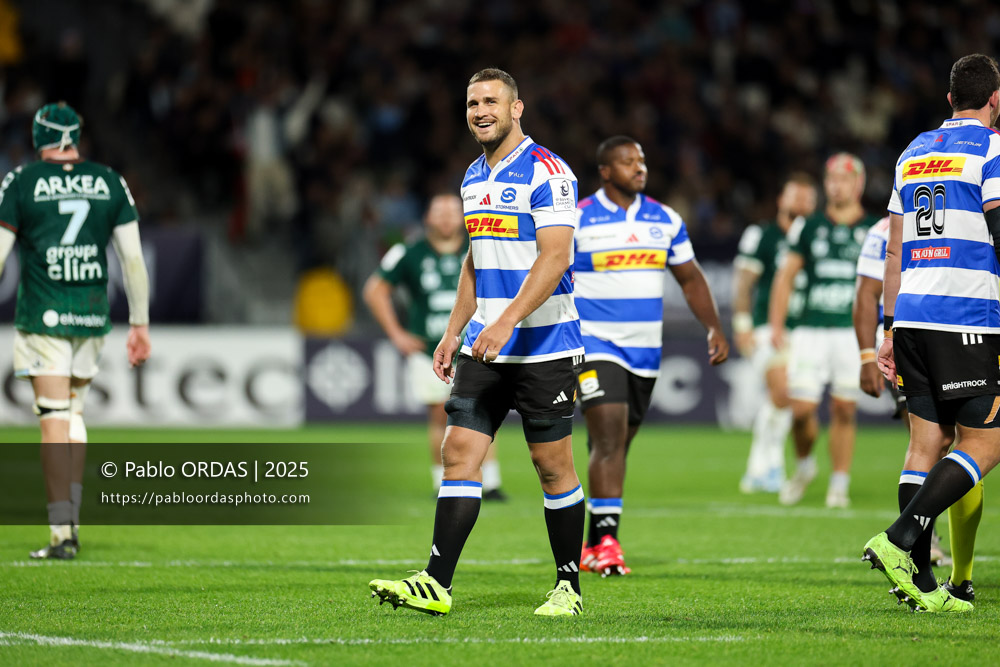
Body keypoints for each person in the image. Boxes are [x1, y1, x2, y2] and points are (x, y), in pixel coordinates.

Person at [370, 68, 585, 616]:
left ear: (517, 109)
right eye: (472, 103)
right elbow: (475, 257)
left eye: (492, 101)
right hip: (484, 346)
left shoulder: (550, 173)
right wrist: (451, 330)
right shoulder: (471, 177)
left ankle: (568, 587)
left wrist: (507, 319)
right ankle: (436, 582)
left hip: (544, 345)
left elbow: (555, 257)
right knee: (458, 453)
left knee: (552, 464)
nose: (480, 111)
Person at [861, 53, 1000, 613]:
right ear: (995, 99)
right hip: (963, 316)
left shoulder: (913, 151)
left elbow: (894, 249)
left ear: (949, 99)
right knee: (986, 443)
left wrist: (888, 327)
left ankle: (917, 585)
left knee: (924, 445)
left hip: (913, 315)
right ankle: (898, 539)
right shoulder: (991, 150)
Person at [0, 102, 151, 559]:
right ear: (75, 137)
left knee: (53, 421)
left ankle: (61, 531)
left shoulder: (21, 181)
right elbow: (132, 262)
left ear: (37, 137)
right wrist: (140, 323)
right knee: (75, 416)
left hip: (44, 316)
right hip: (91, 316)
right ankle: (73, 520)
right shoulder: (109, 181)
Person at [574, 136, 728, 576]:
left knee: (617, 443)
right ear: (605, 171)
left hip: (645, 351)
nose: (638, 168)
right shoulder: (579, 219)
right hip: (594, 345)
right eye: (627, 162)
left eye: (641, 160)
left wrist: (714, 326)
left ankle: (590, 543)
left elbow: (692, 279)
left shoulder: (664, 219)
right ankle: (606, 543)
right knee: (608, 437)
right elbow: (553, 277)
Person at [363, 194, 507, 501]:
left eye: (452, 211)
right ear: (427, 217)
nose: (445, 218)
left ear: (463, 215)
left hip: (475, 346)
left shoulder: (481, 247)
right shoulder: (409, 251)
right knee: (440, 416)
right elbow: (375, 290)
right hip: (428, 348)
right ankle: (442, 482)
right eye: (438, 212)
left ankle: (491, 483)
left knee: (484, 412)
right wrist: (397, 334)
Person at [853, 217, 965, 572]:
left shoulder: (898, 225)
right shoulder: (882, 231)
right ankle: (921, 542)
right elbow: (865, 293)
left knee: (935, 444)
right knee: (956, 444)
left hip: (910, 333)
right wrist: (866, 355)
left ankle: (917, 548)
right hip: (944, 330)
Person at [768, 153, 877, 508]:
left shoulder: (874, 228)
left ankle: (839, 484)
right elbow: (785, 277)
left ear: (858, 184)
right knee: (800, 411)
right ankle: (804, 466)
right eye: (831, 178)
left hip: (852, 332)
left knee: (845, 409)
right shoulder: (809, 226)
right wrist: (776, 324)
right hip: (811, 330)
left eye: (844, 179)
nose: (836, 185)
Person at [734, 173, 817, 494]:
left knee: (793, 402)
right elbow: (743, 284)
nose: (801, 203)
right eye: (795, 195)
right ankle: (772, 467)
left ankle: (763, 468)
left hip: (807, 331)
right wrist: (742, 325)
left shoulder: (818, 237)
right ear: (781, 199)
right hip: (769, 327)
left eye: (808, 198)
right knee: (782, 391)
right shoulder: (762, 235)